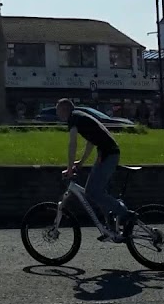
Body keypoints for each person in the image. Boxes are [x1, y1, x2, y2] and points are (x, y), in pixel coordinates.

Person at [56, 98, 132, 242]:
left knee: (93, 191)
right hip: (106, 152)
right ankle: (109, 227)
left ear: (64, 109)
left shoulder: (73, 118)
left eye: (58, 110)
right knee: (97, 191)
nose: (57, 114)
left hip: (108, 154)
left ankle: (125, 214)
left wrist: (69, 169)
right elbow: (91, 141)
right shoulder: (80, 116)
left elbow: (72, 144)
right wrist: (81, 163)